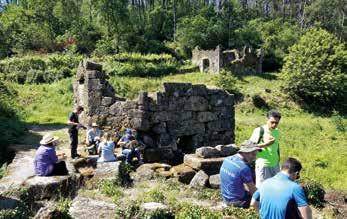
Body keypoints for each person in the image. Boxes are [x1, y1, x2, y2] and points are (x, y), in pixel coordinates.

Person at [219, 140, 261, 208]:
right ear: (245, 152)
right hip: (238, 201)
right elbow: (253, 191)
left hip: (225, 197)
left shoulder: (227, 159)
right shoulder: (243, 168)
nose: (254, 157)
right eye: (253, 154)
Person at [249, 110, 282, 188]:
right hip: (263, 164)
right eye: (272, 122)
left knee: (275, 188)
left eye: (276, 123)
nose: (274, 125)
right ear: (267, 119)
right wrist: (266, 144)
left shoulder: (277, 131)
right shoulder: (259, 131)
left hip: (275, 164)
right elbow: (250, 147)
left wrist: (278, 159)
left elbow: (276, 146)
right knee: (262, 189)